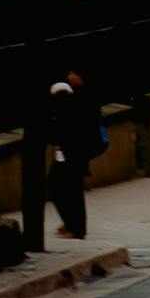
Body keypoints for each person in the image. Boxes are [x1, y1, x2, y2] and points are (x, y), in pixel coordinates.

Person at [46, 64, 105, 240]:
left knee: (65, 189)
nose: (69, 75)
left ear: (81, 76)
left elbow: (71, 124)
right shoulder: (82, 97)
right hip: (71, 151)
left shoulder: (80, 98)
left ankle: (76, 228)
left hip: (74, 152)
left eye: (72, 73)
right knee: (63, 187)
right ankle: (71, 223)